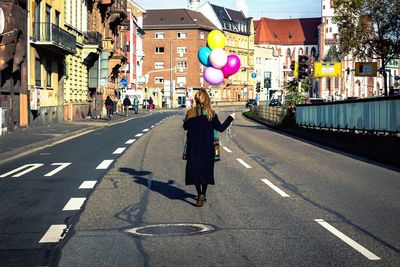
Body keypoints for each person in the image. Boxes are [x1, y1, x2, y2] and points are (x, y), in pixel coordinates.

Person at [183, 89, 235, 207]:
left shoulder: (190, 113)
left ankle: (199, 193)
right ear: (207, 99)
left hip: (193, 147)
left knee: (194, 171)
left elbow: (185, 127)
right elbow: (221, 128)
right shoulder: (211, 113)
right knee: (205, 171)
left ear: (196, 100)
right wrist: (230, 118)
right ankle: (203, 194)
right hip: (207, 147)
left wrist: (186, 120)